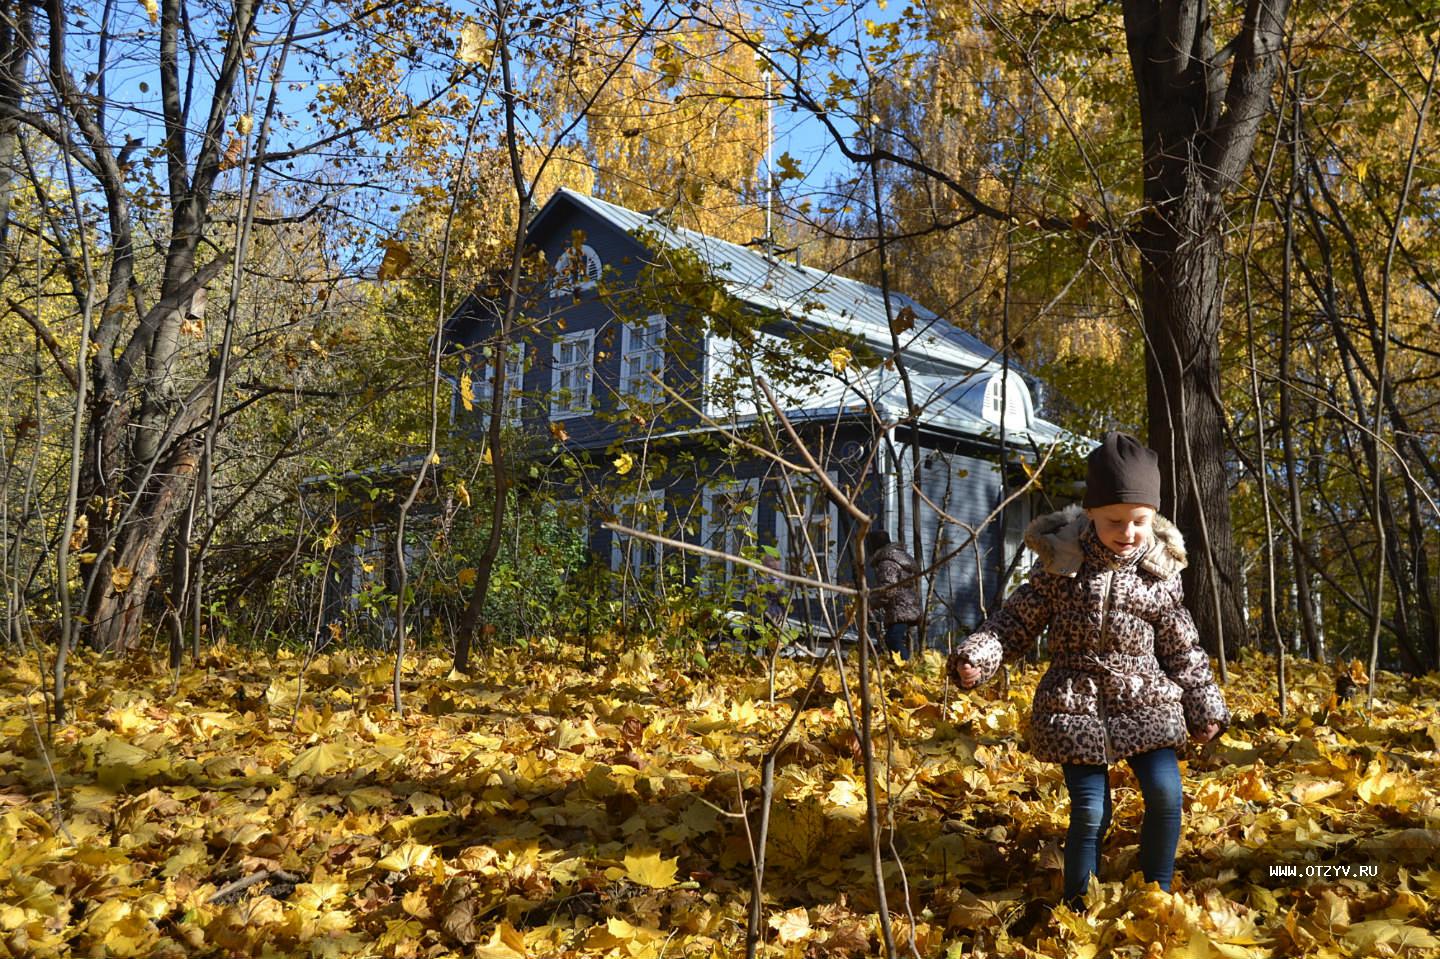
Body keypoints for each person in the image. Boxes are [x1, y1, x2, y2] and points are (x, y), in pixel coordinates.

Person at [947, 431, 1229, 908]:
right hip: (1075, 703)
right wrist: (976, 656)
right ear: (1091, 514)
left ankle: (1156, 892)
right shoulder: (1061, 567)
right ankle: (1079, 905)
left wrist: (1205, 706)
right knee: (1090, 811)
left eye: (1139, 521)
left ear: (1153, 518)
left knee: (1165, 795)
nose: (1127, 532)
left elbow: (1183, 650)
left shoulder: (1159, 577)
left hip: (1146, 700)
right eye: (1114, 520)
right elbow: (1014, 621)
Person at [865, 529, 921, 660]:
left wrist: (870, 603)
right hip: (907, 606)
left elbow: (887, 590)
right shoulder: (897, 559)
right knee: (893, 639)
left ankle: (905, 667)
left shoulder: (887, 563)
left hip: (900, 608)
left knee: (893, 639)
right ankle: (900, 665)